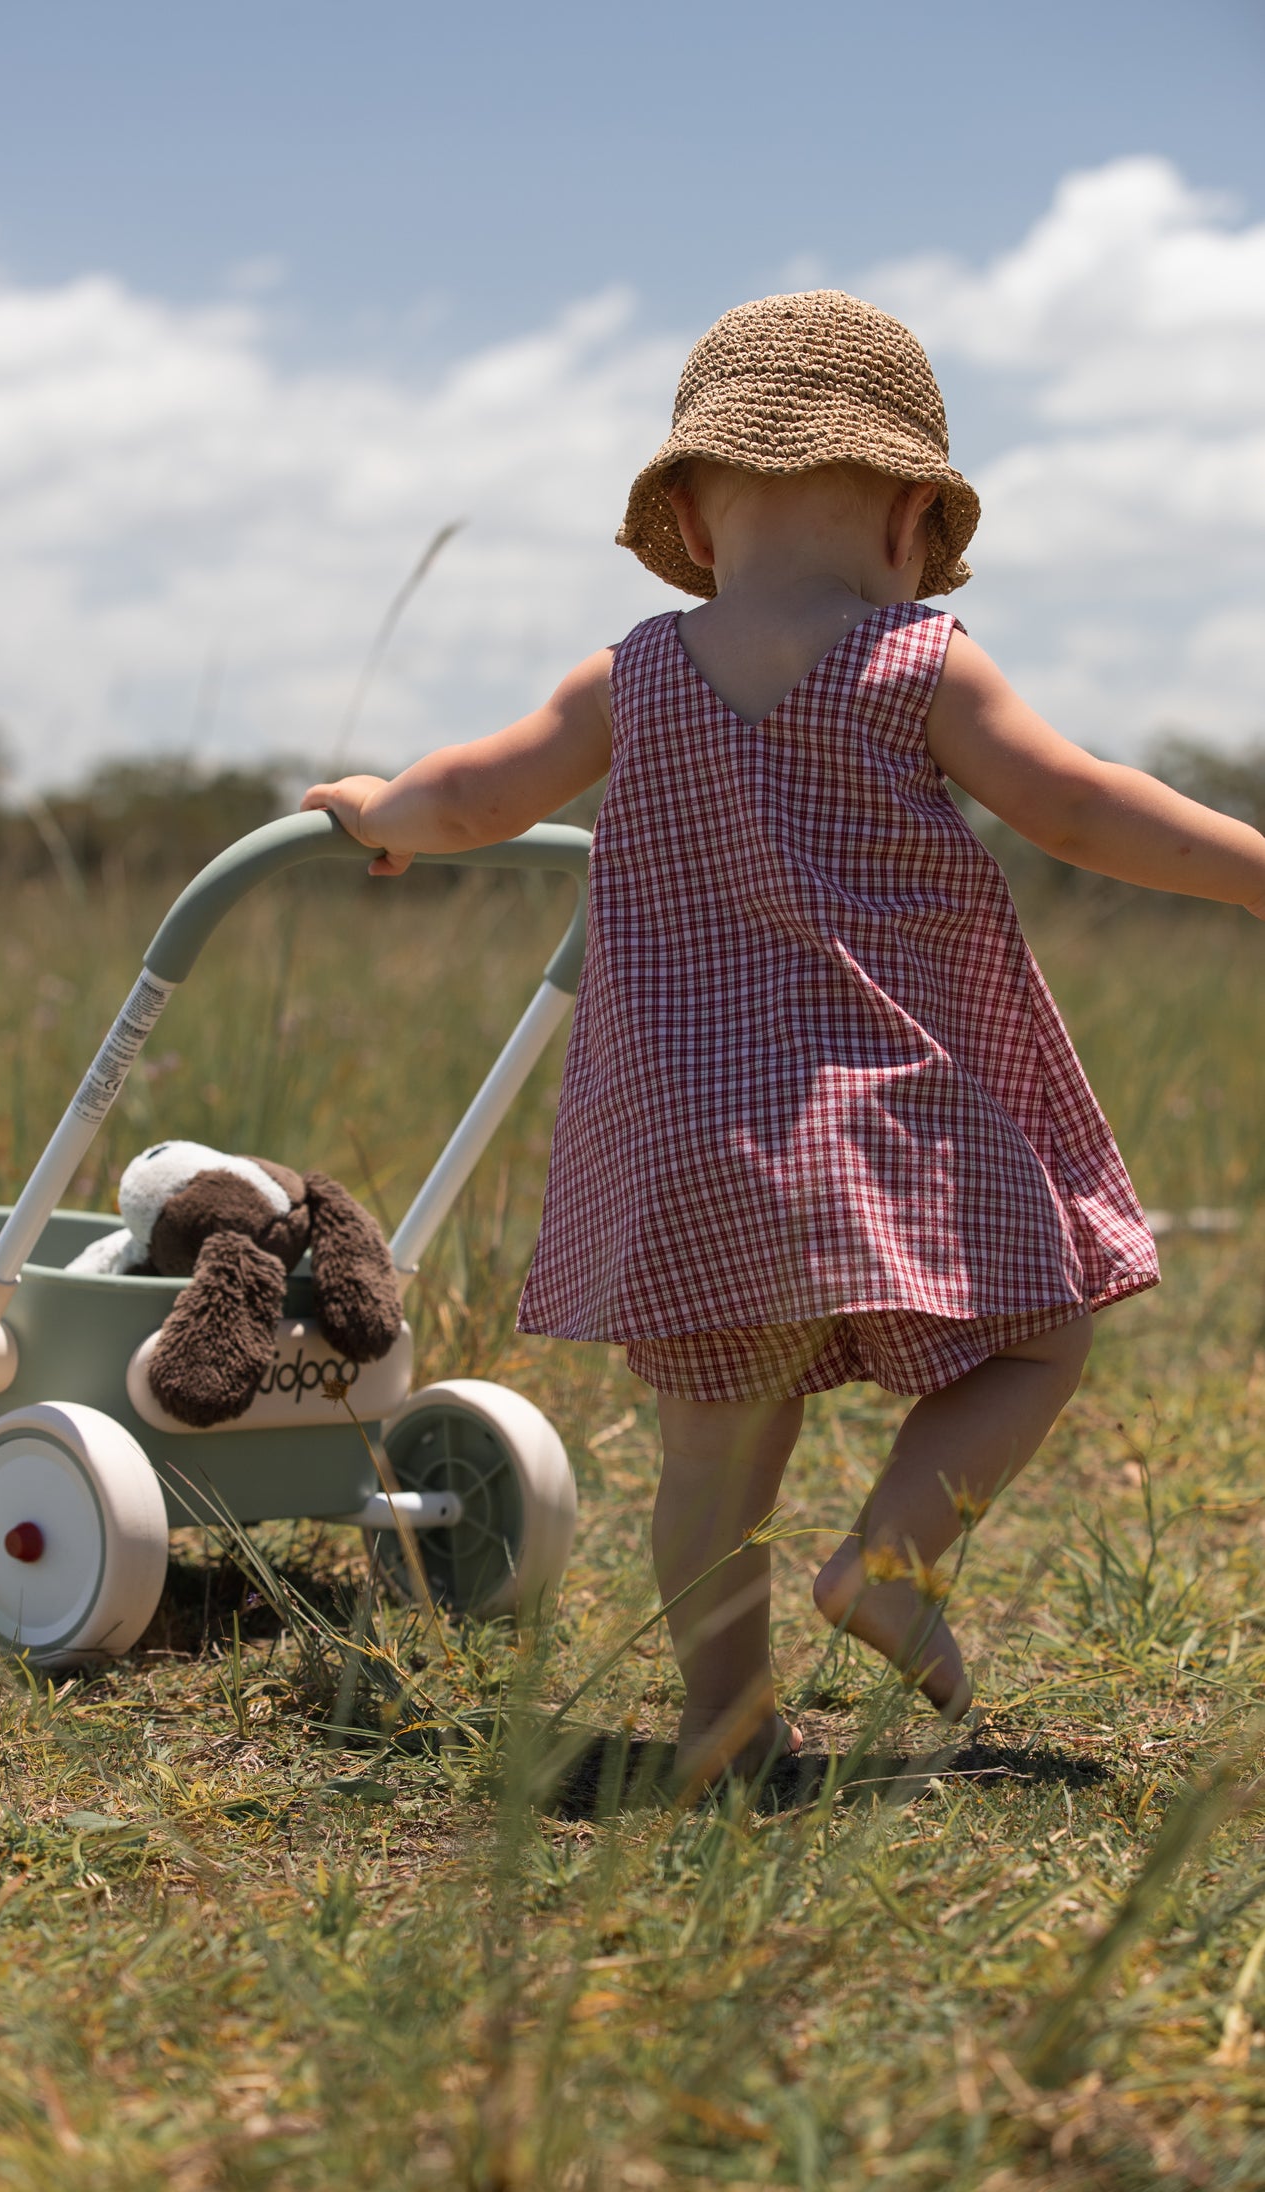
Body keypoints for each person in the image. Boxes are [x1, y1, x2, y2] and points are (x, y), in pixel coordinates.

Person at [304, 291, 1265, 1788]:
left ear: (685, 517)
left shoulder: (627, 678)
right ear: (911, 517)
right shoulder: (920, 665)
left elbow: (471, 800)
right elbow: (1079, 807)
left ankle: (722, 1726)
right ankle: (893, 1555)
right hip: (884, 1116)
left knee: (710, 1459)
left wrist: (376, 807)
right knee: (1041, 1329)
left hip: (683, 1137)